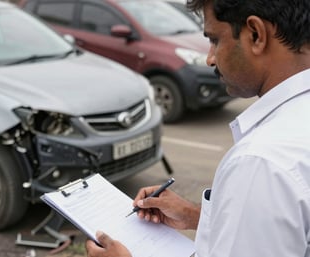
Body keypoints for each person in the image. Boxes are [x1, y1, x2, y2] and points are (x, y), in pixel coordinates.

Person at [85, 0, 310, 256]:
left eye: (215, 40)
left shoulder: (261, 163)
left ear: (256, 34)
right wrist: (195, 216)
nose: (210, 58)